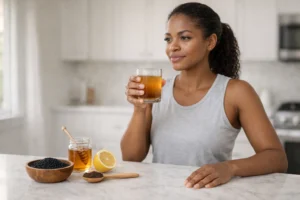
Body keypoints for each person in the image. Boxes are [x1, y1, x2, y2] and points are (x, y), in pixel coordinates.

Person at [121, 2, 287, 189]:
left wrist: (229, 168)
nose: (172, 47)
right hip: (161, 193)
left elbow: (276, 158)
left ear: (210, 42)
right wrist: (139, 109)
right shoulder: (158, 90)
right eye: (168, 39)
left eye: (184, 38)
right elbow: (131, 157)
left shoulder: (236, 92)